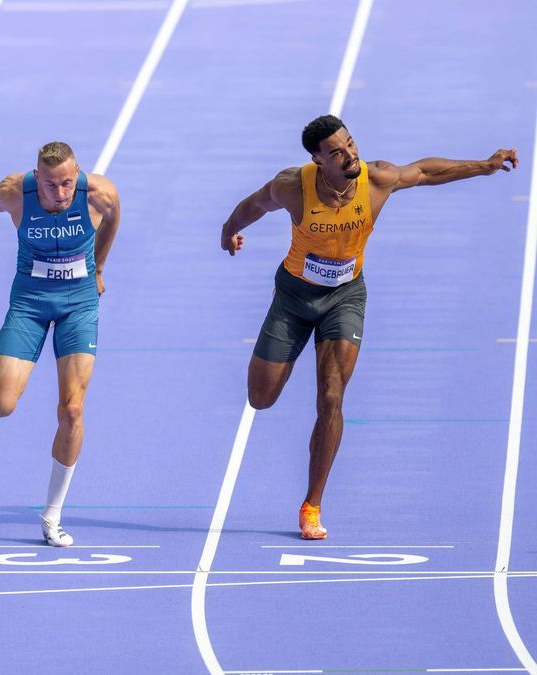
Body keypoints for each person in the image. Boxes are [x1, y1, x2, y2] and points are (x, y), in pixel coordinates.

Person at [220, 114, 518, 539]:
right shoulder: (293, 186)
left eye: (351, 144)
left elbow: (426, 172)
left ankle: (312, 506)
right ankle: (288, 345)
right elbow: (255, 205)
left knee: (332, 395)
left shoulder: (375, 180)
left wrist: (483, 165)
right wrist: (229, 230)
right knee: (260, 398)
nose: (349, 155)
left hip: (345, 297)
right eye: (337, 152)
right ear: (317, 160)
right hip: (293, 298)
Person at [0, 142, 119, 547]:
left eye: (67, 183)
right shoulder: (14, 191)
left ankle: (52, 514)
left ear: (77, 173)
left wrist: (98, 266)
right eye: (50, 185)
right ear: (36, 178)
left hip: (78, 305)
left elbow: (113, 219)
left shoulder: (99, 192)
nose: (60, 194)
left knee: (73, 409)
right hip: (28, 303)